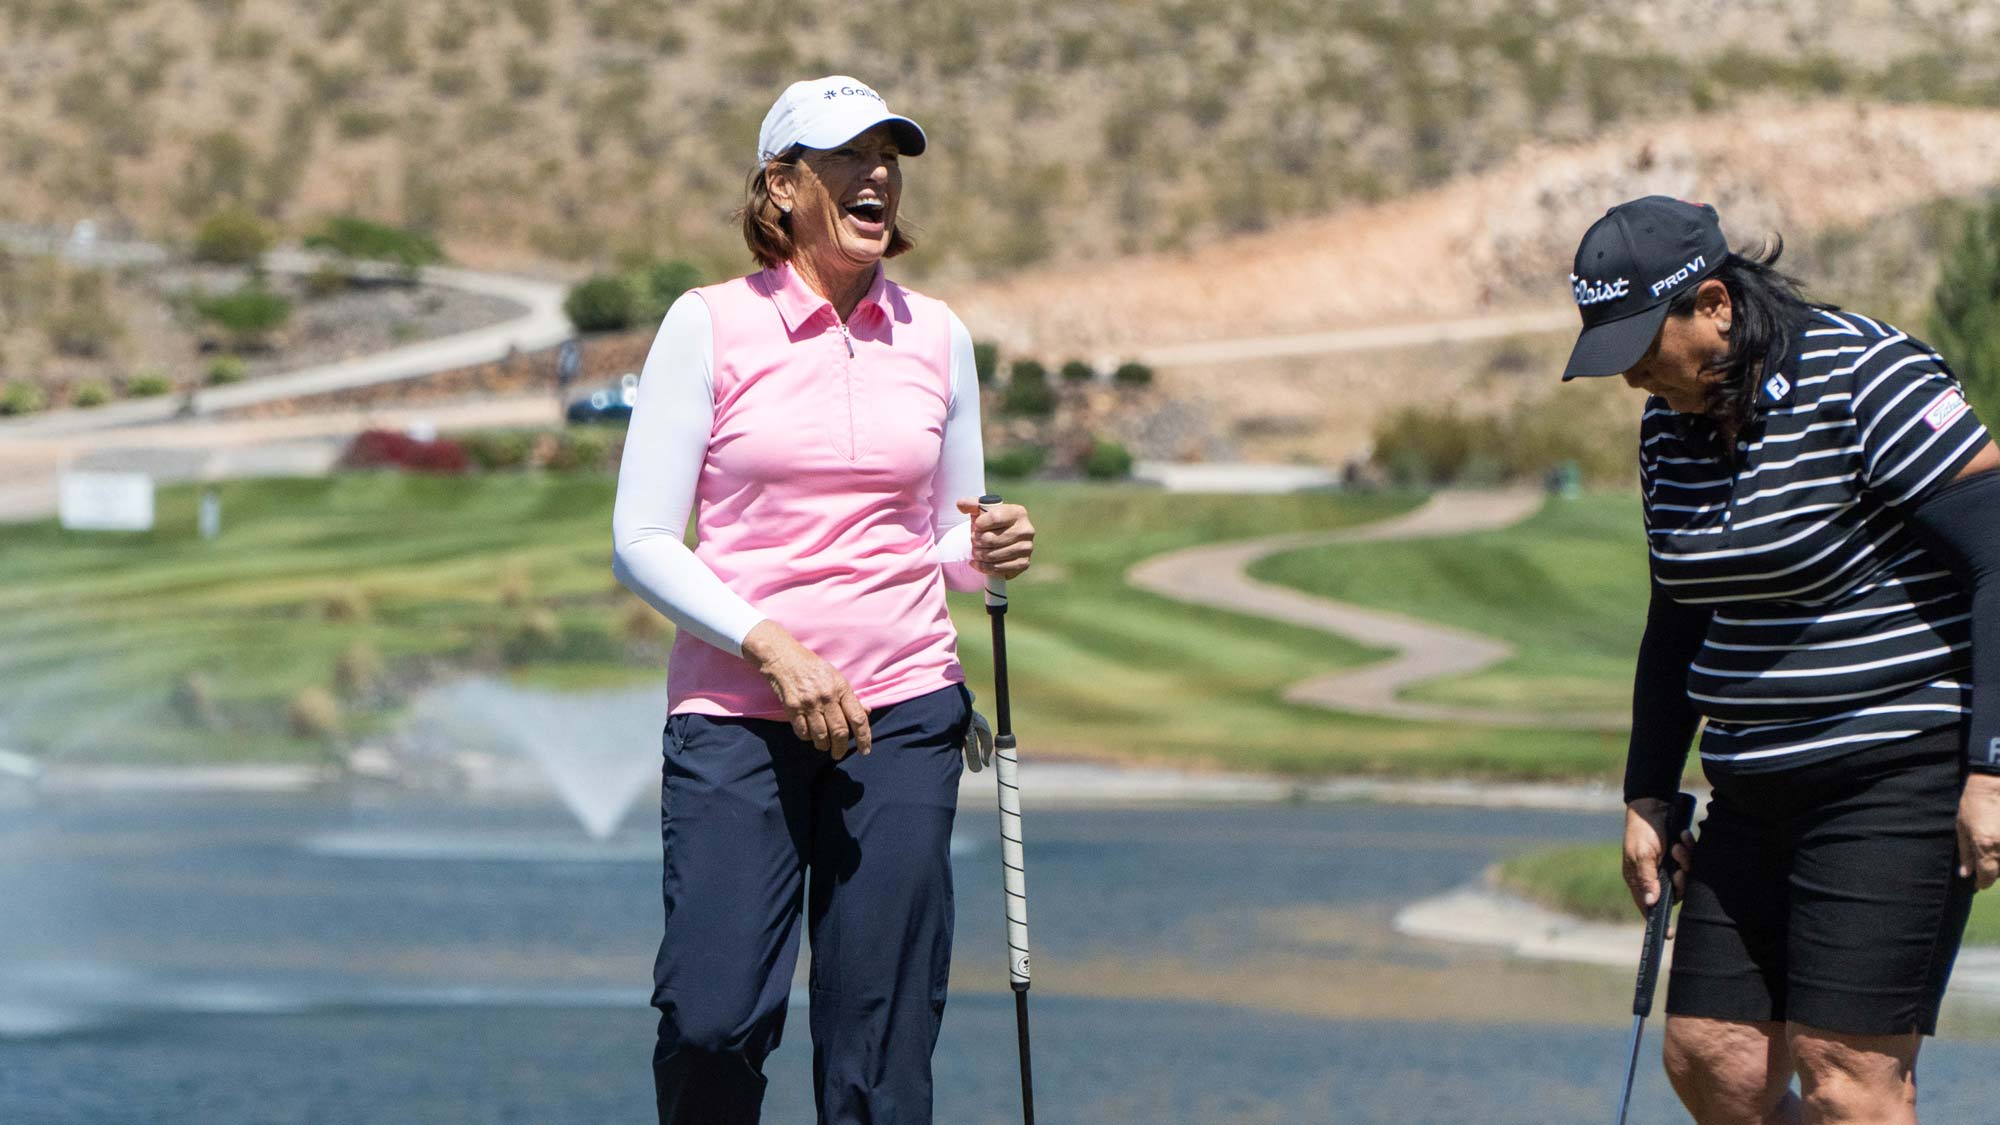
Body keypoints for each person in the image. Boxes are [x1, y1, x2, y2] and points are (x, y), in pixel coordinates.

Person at [611, 75, 1036, 1124]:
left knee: (878, 1047)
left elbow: (949, 538)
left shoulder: (936, 336)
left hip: (902, 710)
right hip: (737, 720)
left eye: (887, 154)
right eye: (847, 156)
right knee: (711, 1023)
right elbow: (641, 539)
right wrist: (771, 648)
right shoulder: (707, 324)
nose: (875, 174)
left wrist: (990, 549)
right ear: (783, 184)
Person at [1563, 196, 2000, 1124]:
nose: (1634, 376)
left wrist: (1989, 769)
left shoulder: (1865, 372)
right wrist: (1647, 790)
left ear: (1715, 304)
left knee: (1848, 1077)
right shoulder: (1669, 432)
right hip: (1754, 780)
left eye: (1645, 345)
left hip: (1897, 769)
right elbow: (1677, 613)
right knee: (1710, 1059)